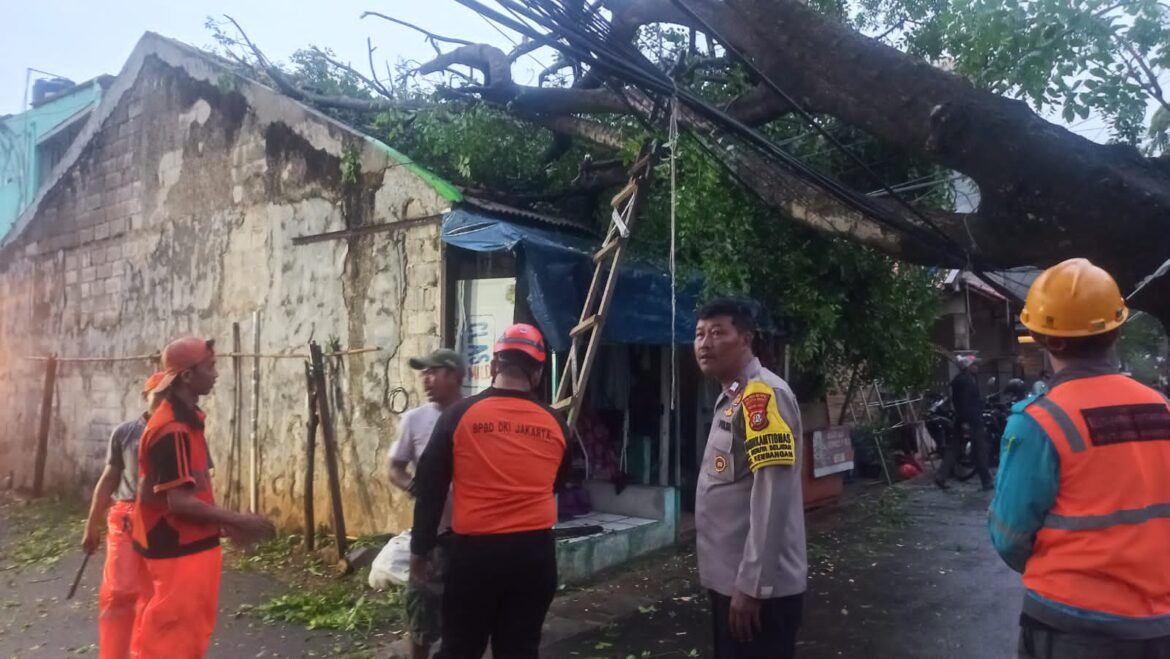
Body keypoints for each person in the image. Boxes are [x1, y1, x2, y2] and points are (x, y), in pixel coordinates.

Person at [990, 258, 1170, 658]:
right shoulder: (1161, 408)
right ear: (1116, 329)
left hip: (1070, 625)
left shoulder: (1038, 421)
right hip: (1158, 623)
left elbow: (1009, 536)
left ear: (1045, 339)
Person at [410, 323, 570, 658]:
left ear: (495, 366)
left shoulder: (459, 416)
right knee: (519, 650)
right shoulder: (557, 424)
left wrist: (420, 553)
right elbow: (559, 482)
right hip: (535, 557)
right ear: (538, 373)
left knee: (461, 649)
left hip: (474, 558)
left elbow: (430, 489)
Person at [131, 337, 274, 658]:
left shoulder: (186, 419)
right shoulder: (173, 428)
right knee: (174, 638)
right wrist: (238, 520)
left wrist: (222, 527)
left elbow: (192, 491)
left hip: (182, 543)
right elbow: (179, 502)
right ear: (186, 376)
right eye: (210, 366)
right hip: (177, 549)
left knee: (176, 633)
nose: (216, 373)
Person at [693, 298, 806, 659]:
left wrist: (753, 586)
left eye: (717, 333)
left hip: (756, 592)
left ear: (745, 339)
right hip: (732, 583)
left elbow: (771, 495)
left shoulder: (762, 395)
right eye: (699, 334)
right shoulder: (734, 395)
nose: (705, 343)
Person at [80, 371, 165, 659]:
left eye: (169, 395)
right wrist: (91, 524)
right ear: (146, 396)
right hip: (126, 520)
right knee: (119, 593)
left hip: (164, 522)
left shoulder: (181, 433)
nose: (164, 401)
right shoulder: (125, 433)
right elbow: (108, 480)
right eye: (158, 394)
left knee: (157, 598)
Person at [388, 348, 465, 659]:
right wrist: (419, 489)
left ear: (456, 377)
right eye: (423, 374)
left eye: (433, 372)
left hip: (470, 537)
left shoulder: (475, 414)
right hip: (431, 536)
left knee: (463, 618)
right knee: (421, 614)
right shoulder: (415, 419)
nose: (426, 380)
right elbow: (395, 468)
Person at [936, 354, 993, 490]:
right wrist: (967, 421)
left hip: (963, 419)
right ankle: (986, 481)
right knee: (979, 449)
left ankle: (941, 476)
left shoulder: (963, 380)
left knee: (954, 447)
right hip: (971, 420)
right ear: (968, 367)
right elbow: (965, 403)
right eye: (974, 365)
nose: (977, 367)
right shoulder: (966, 383)